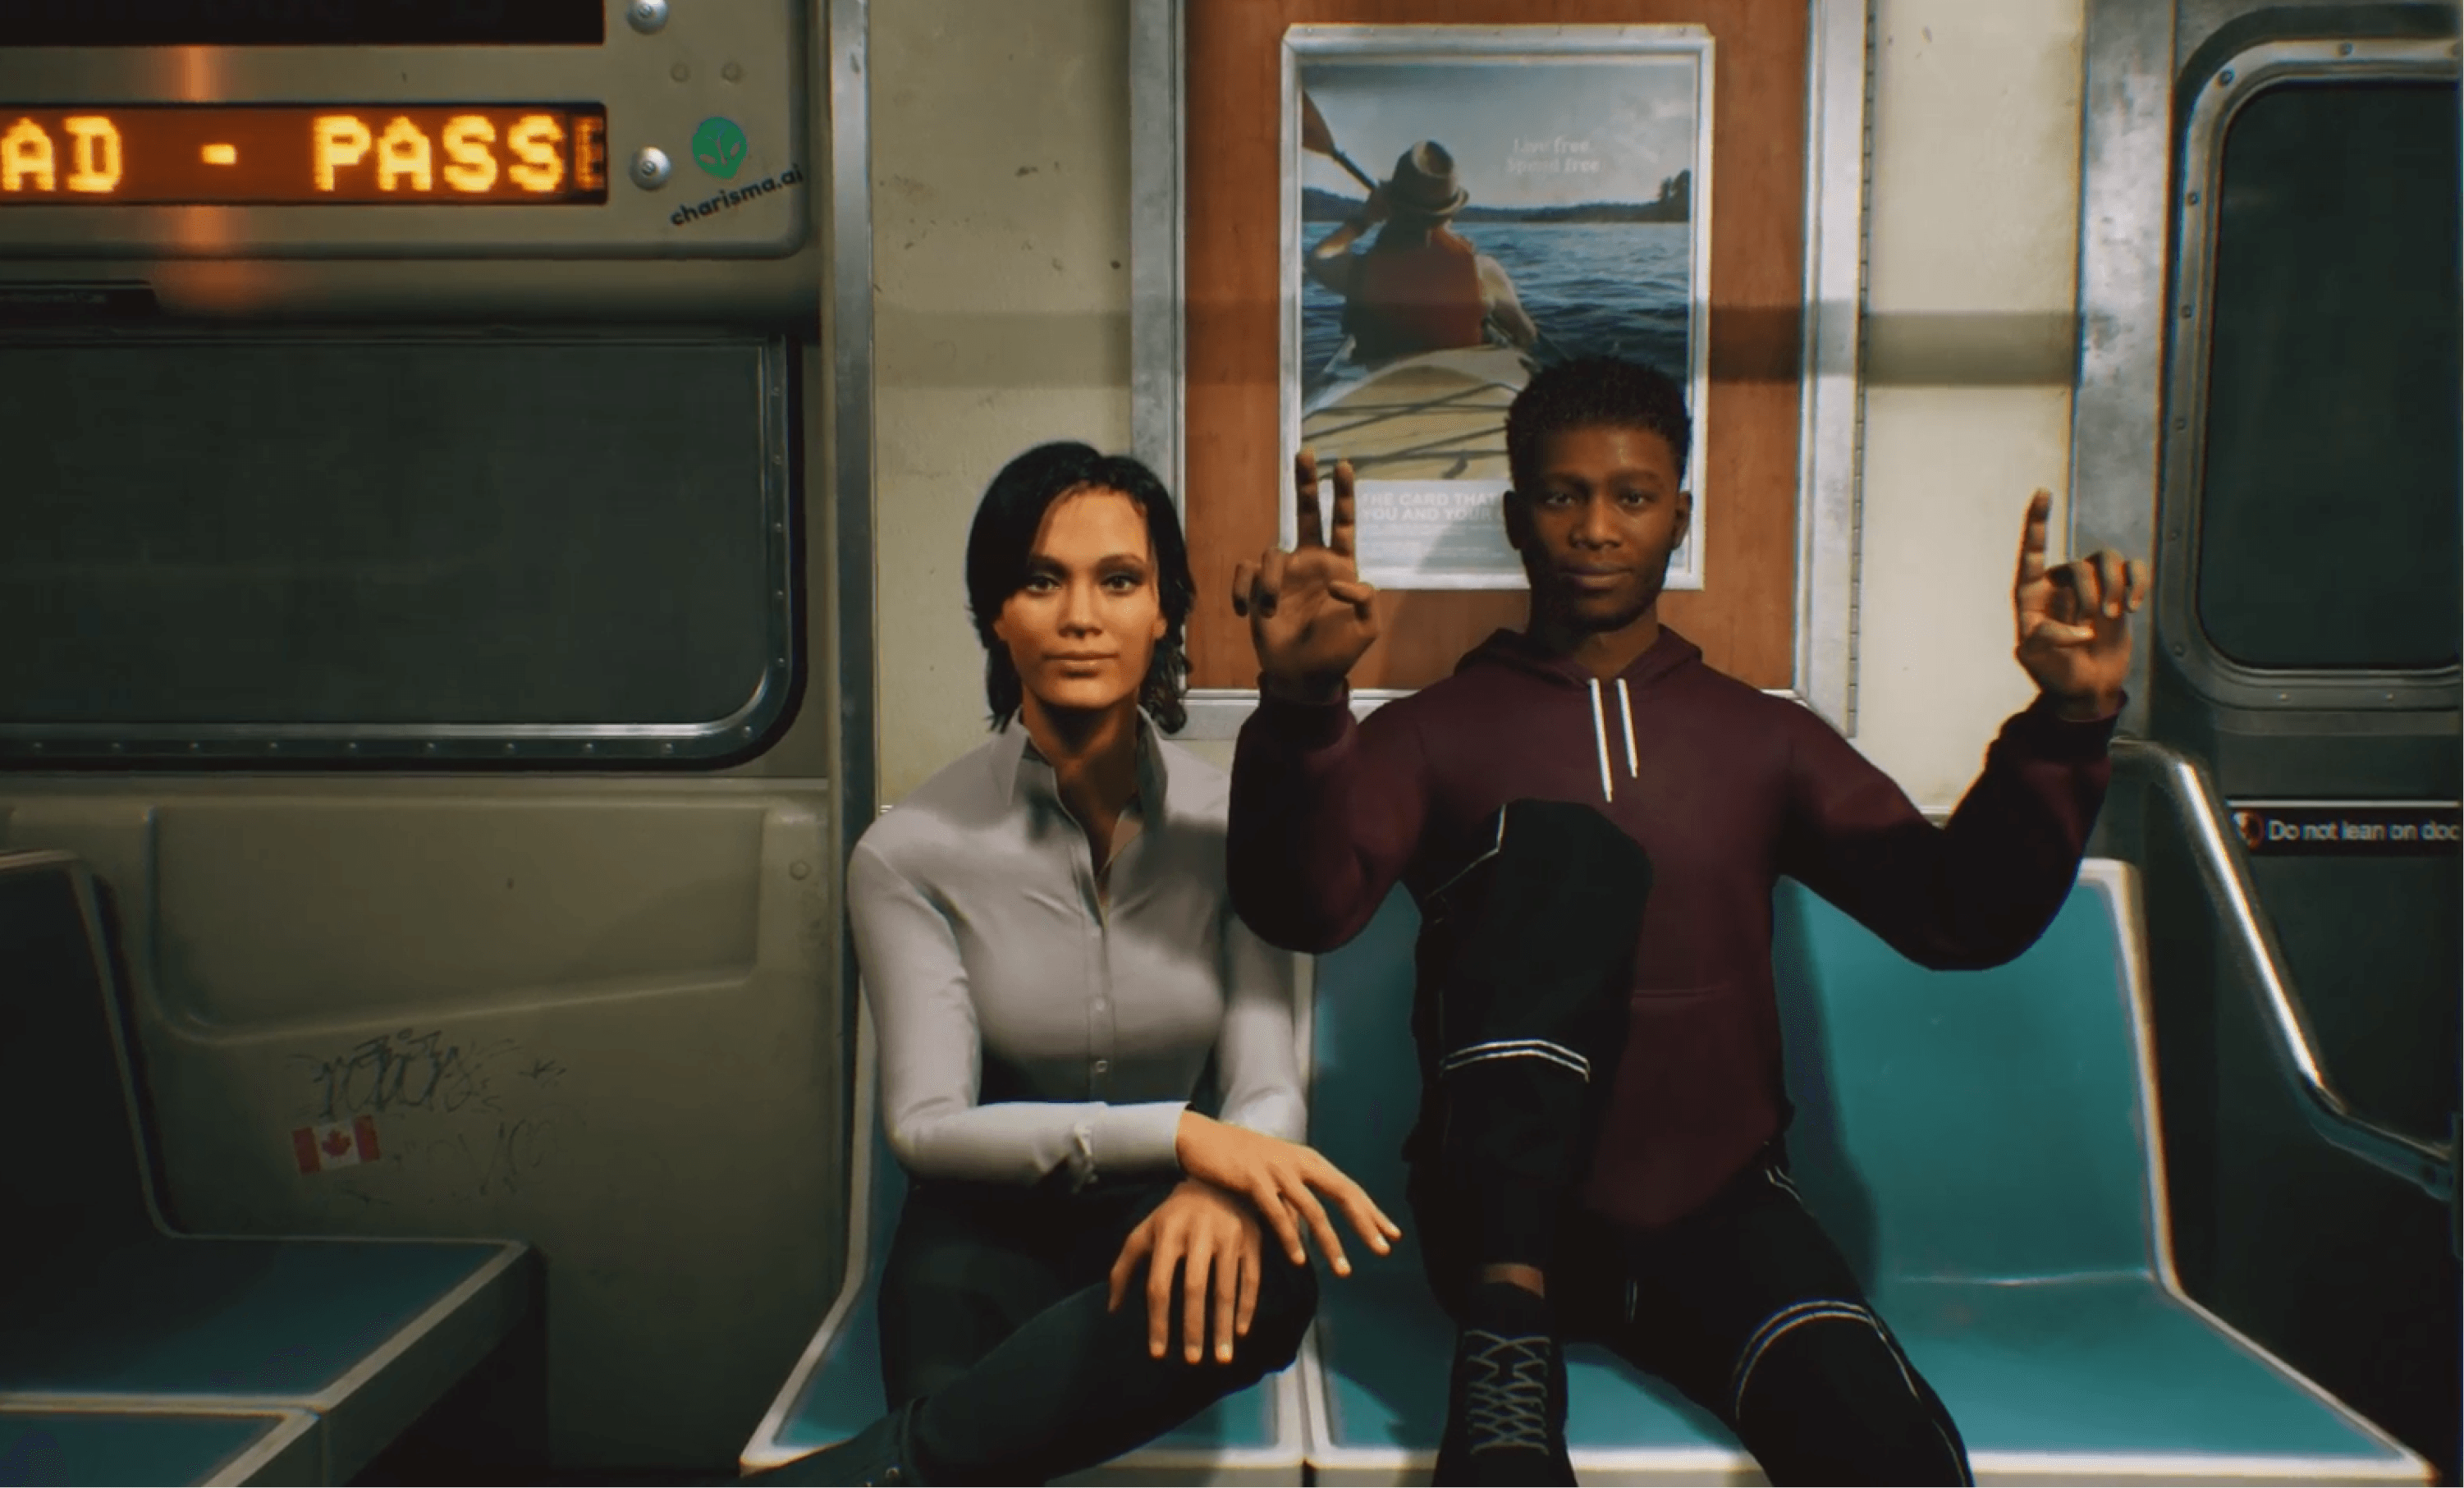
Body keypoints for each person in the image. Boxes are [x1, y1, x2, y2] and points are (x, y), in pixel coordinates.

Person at [1225, 357, 2149, 1488]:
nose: (1597, 529)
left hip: (1716, 1209)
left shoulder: (1760, 737)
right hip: (1502, 1228)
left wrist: (2068, 718)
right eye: (1562, 497)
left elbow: (1956, 915)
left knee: (1890, 1453)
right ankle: (1508, 1327)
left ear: (1680, 516)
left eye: (1632, 496)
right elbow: (1303, 908)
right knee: (1555, 849)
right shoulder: (1433, 732)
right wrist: (1304, 708)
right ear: (1518, 518)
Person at [763, 442, 1400, 1488]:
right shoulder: (907, 854)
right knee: (957, 1368)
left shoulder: (1237, 826)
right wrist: (1187, 1138)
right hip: (982, 1235)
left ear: (1165, 615)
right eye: (1039, 579)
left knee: (1274, 1280)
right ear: (996, 617)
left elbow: (1267, 1082)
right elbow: (927, 1129)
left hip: (1172, 1216)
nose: (1079, 615)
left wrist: (1221, 1190)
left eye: (1119, 581)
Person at [1306, 140, 1539, 368]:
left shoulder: (1362, 272)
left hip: (1384, 385)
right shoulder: (1482, 270)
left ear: (1391, 206)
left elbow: (1317, 258)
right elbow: (1526, 335)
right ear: (1450, 213)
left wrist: (1364, 219)